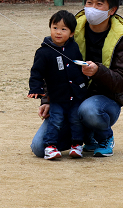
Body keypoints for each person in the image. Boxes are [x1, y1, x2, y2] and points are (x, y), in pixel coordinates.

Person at [31, 0, 123, 158]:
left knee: (88, 110)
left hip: (103, 103)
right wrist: (47, 100)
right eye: (89, 2)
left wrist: (98, 71)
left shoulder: (122, 39)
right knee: (39, 147)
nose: (92, 8)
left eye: (99, 4)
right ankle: (85, 136)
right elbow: (52, 68)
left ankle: (104, 137)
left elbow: (122, 82)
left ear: (112, 10)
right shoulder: (71, 28)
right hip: (68, 100)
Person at [27, 10, 89, 160]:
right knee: (55, 121)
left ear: (72, 33)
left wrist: (83, 83)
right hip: (57, 98)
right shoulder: (44, 52)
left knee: (76, 120)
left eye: (63, 29)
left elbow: (78, 68)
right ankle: (50, 147)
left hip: (75, 96)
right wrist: (36, 89)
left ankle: (77, 145)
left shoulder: (73, 48)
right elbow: (36, 73)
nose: (58, 32)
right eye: (55, 28)